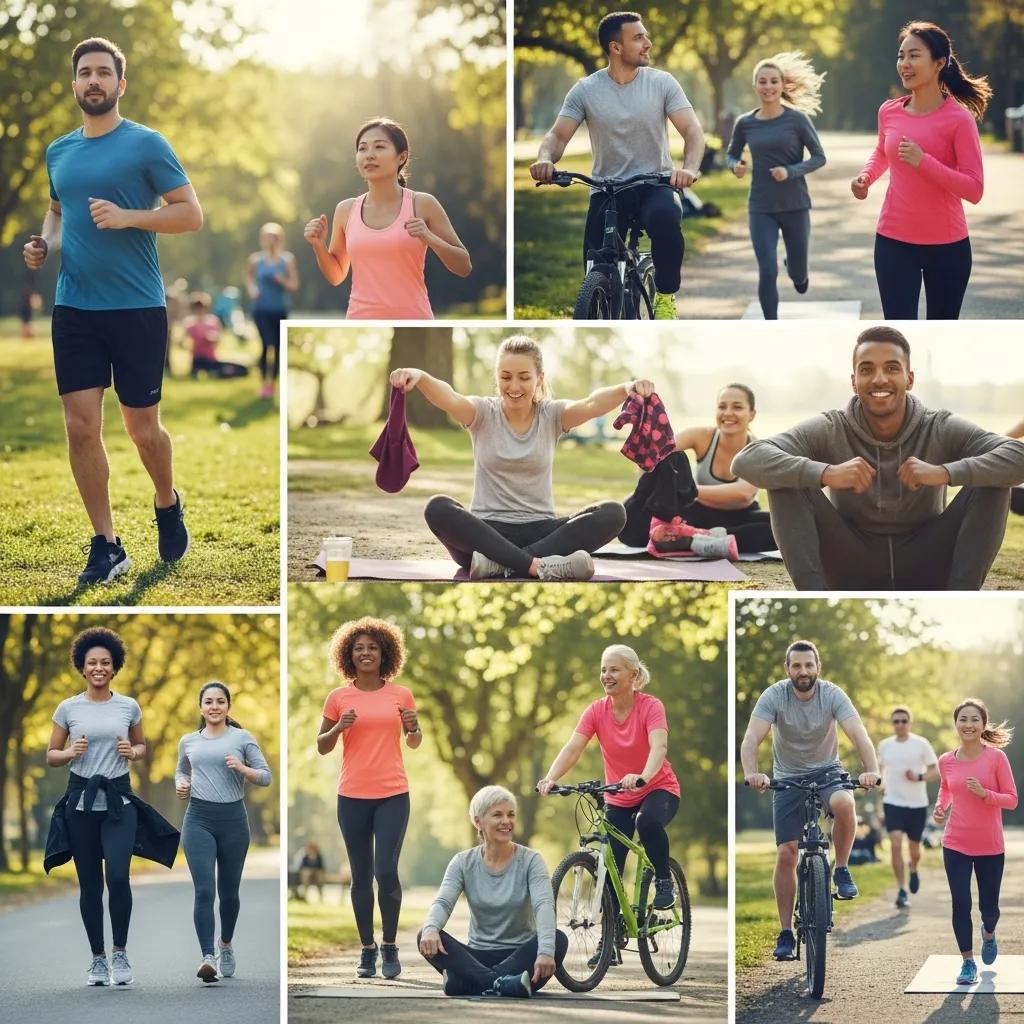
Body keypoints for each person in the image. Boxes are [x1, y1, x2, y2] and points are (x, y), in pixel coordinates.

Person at [22, 37, 202, 584]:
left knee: (142, 429)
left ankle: (167, 502)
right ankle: (107, 544)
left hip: (137, 308)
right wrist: (44, 245)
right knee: (81, 427)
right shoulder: (59, 151)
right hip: (74, 308)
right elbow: (57, 215)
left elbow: (190, 214)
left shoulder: (147, 145)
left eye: (103, 72)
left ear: (120, 85)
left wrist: (129, 217)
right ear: (75, 85)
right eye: (85, 73)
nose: (94, 81)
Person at [732, 325, 1024, 589]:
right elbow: (748, 459)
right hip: (849, 563)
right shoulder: (831, 427)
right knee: (785, 480)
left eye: (892, 368)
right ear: (853, 380)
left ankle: (961, 597)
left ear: (909, 379)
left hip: (930, 562)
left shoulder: (939, 426)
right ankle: (812, 595)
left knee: (995, 479)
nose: (879, 379)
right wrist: (826, 473)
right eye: (867, 369)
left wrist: (945, 473)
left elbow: (1017, 457)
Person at [391, 335, 644, 581]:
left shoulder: (552, 414)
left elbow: (591, 403)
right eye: (505, 377)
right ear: (497, 377)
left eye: (524, 378)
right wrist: (421, 377)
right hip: (486, 534)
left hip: (542, 533)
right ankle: (537, 566)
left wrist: (627, 388)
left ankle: (500, 566)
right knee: (437, 507)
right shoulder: (481, 412)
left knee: (614, 513)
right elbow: (450, 397)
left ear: (539, 379)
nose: (514, 387)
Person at [529, 11, 705, 320]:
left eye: (645, 36)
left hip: (656, 184)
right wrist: (545, 159)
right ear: (616, 47)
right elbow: (557, 135)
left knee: (666, 219)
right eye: (638, 38)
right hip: (607, 189)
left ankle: (664, 296)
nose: (647, 43)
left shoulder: (662, 83)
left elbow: (692, 131)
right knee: (596, 264)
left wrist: (688, 169)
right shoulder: (586, 90)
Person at [43, 627, 180, 987]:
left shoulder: (128, 705)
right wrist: (70, 752)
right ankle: (97, 960)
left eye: (106, 662)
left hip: (119, 804)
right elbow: (51, 755)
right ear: (82, 667)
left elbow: (141, 747)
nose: (99, 668)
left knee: (118, 877)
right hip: (81, 806)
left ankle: (120, 954)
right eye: (92, 663)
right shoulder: (68, 708)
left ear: (114, 667)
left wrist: (131, 753)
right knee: (90, 886)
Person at [740, 640, 880, 961]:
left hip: (828, 771)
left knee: (845, 804)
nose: (803, 672)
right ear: (787, 669)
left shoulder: (832, 695)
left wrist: (871, 770)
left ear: (818, 667)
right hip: (787, 777)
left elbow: (858, 734)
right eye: (797, 666)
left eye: (809, 665)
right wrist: (753, 773)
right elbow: (751, 738)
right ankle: (786, 932)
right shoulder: (774, 696)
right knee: (787, 853)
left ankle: (841, 869)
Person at [850, 21, 989, 319]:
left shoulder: (959, 120)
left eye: (914, 55)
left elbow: (974, 189)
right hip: (893, 241)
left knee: (940, 338)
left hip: (947, 247)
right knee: (899, 338)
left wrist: (924, 162)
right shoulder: (888, 110)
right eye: (901, 56)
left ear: (939, 63)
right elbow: (882, 151)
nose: (904, 64)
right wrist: (866, 177)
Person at [537, 644, 681, 927]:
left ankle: (664, 882)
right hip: (618, 796)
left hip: (658, 788)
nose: (606, 675)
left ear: (633, 674)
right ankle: (610, 937)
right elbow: (573, 748)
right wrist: (551, 777)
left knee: (647, 822)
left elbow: (659, 746)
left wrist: (643, 776)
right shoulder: (595, 711)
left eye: (614, 669)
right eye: (603, 669)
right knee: (610, 862)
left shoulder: (651, 706)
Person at [316, 617, 421, 980]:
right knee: (361, 876)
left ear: (384, 653)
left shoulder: (401, 694)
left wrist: (414, 727)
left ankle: (390, 945)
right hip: (352, 795)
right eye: (359, 648)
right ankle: (367, 949)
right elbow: (322, 747)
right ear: (348, 654)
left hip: (393, 793)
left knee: (386, 870)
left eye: (372, 647)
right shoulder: (338, 697)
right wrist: (337, 727)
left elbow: (414, 741)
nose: (365, 653)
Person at [304, 117, 470, 320]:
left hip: (414, 319)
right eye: (362, 149)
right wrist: (319, 246)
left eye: (379, 147)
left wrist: (429, 238)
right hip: (360, 320)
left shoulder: (422, 204)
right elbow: (337, 275)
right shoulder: (346, 209)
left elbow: (464, 267)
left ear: (401, 157)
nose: (369, 155)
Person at [418, 786, 568, 998]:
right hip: (476, 957)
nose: (506, 821)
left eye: (511, 814)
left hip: (520, 955)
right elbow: (443, 902)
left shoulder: (531, 860)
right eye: (497, 814)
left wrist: (544, 952)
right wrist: (431, 929)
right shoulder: (462, 862)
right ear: (478, 821)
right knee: (424, 935)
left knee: (558, 940)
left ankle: (465, 983)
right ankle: (507, 985)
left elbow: (544, 905)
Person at [176, 680, 271, 983]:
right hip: (198, 819)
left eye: (220, 702)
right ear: (200, 707)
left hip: (233, 822)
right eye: (208, 702)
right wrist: (181, 783)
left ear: (228, 707)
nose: (214, 707)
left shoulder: (242, 738)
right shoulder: (188, 741)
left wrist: (243, 769)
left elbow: (265, 777)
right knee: (205, 890)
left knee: (229, 895)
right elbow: (181, 769)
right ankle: (207, 957)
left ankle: (225, 944)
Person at [727, 53, 826, 319]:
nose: (768, 86)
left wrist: (790, 171)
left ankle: (797, 272)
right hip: (761, 207)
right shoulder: (745, 123)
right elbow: (731, 153)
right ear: (755, 85)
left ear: (782, 85)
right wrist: (735, 165)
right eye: (762, 81)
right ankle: (770, 323)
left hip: (795, 205)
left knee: (798, 272)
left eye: (773, 81)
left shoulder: (797, 120)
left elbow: (819, 157)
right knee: (767, 269)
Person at [934, 698, 1017, 985]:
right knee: (960, 902)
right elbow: (946, 789)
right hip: (955, 842)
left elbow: (1012, 800)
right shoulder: (946, 760)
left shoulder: (996, 758)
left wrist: (985, 794)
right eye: (963, 719)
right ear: (956, 724)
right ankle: (968, 962)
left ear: (983, 725)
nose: (968, 725)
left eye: (974, 720)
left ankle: (989, 933)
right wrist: (941, 806)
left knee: (989, 909)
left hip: (990, 846)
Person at [672, 383, 775, 552]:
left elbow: (743, 494)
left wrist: (687, 491)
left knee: (780, 526)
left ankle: (696, 539)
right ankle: (706, 540)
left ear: (752, 414)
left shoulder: (760, 449)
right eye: (722, 406)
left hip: (742, 517)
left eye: (737, 407)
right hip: (697, 514)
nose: (728, 413)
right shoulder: (700, 436)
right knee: (671, 457)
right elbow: (657, 454)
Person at [878, 705, 938, 908]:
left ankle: (913, 868)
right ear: (892, 724)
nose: (900, 724)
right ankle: (902, 889)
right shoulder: (884, 745)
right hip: (893, 801)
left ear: (909, 723)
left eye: (904, 721)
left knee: (914, 848)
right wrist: (880, 784)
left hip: (917, 804)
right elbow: (880, 769)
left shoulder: (921, 744)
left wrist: (919, 777)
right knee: (895, 842)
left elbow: (935, 770)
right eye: (896, 721)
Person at [245, 221, 297, 399]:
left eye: (274, 237)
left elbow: (294, 285)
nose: (271, 241)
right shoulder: (255, 260)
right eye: (268, 237)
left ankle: (272, 385)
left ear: (280, 240)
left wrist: (282, 281)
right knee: (266, 345)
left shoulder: (287, 260)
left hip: (279, 310)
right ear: (262, 240)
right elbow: (249, 278)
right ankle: (263, 385)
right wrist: (252, 289)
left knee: (278, 348)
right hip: (260, 310)